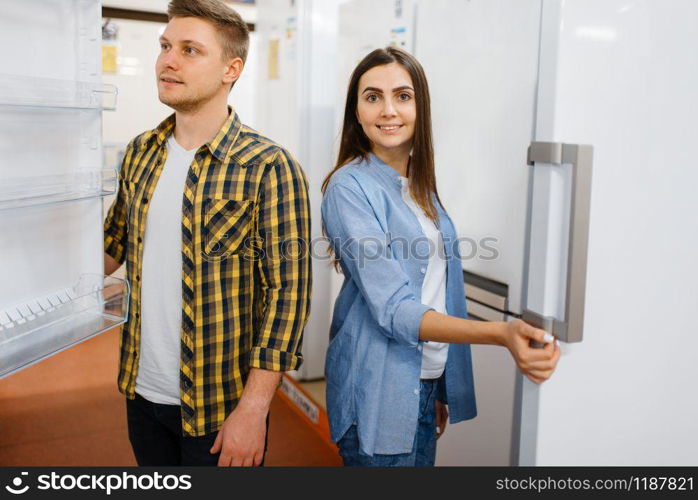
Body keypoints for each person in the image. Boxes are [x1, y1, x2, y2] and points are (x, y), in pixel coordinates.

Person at [320, 47, 560, 467]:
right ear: (356, 112)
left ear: (421, 108)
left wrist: (439, 384)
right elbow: (396, 308)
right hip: (378, 388)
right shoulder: (349, 187)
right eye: (372, 96)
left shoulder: (419, 185)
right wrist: (502, 334)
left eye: (403, 96)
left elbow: (438, 287)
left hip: (422, 383)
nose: (388, 110)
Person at [103, 0, 312, 467]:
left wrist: (254, 410)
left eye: (190, 50)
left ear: (230, 69)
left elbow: (288, 299)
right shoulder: (142, 153)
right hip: (141, 391)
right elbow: (112, 246)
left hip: (221, 407)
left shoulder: (268, 167)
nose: (168, 61)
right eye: (165, 46)